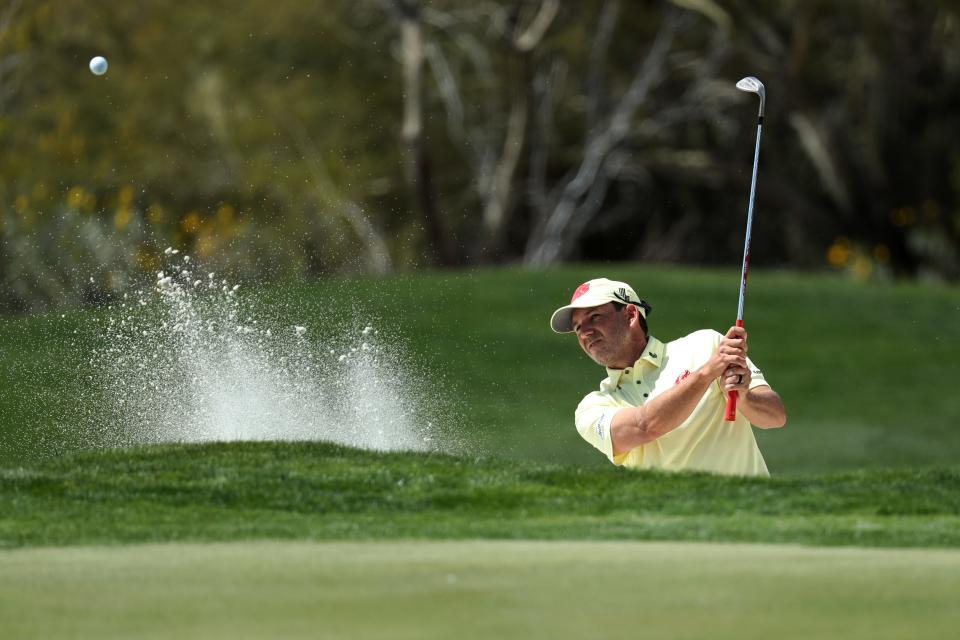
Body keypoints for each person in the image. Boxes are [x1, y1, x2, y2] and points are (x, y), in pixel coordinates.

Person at [550, 278, 786, 476]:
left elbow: (775, 417)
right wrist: (706, 373)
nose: (585, 332)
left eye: (594, 317)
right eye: (578, 327)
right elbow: (644, 426)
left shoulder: (706, 345)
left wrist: (744, 397)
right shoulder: (592, 407)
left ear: (631, 314)